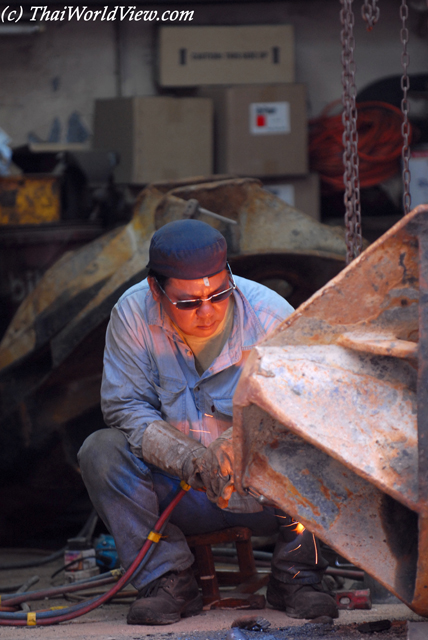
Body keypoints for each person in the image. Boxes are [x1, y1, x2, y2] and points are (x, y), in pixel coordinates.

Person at [78, 219, 338, 625]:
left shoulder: (269, 314)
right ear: (155, 289)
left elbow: (312, 403)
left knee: (331, 441)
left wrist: (241, 441)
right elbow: (125, 406)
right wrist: (191, 459)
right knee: (100, 452)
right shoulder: (132, 315)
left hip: (267, 496)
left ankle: (298, 576)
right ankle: (167, 579)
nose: (206, 311)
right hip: (182, 492)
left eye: (219, 294)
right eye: (187, 302)